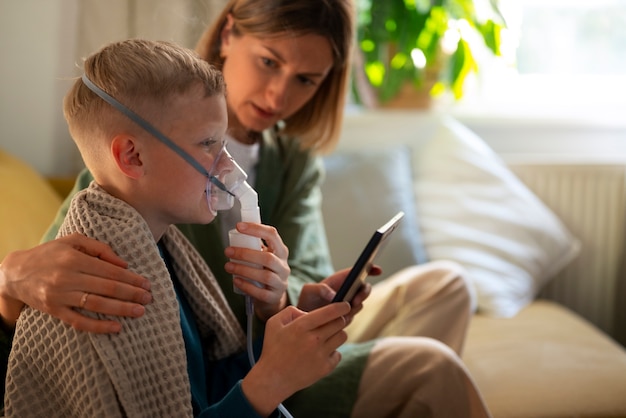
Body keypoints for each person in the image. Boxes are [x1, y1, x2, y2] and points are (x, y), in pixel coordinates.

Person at [0, 1, 490, 416]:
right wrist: (9, 280)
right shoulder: (131, 203)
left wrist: (284, 302)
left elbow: (277, 307)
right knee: (432, 366)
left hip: (256, 351)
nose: (280, 95)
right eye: (270, 63)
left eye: (307, 80)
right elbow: (57, 283)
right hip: (253, 365)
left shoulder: (288, 162)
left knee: (448, 284)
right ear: (231, 32)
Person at [5, 38, 356, 417]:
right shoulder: (103, 291)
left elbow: (193, 395)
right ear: (132, 156)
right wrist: (270, 381)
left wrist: (277, 352)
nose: (227, 167)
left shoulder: (162, 254)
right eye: (208, 144)